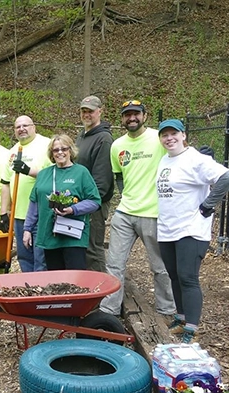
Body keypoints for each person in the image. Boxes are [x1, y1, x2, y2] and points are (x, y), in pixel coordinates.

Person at [156, 119, 229, 343]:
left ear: (183, 135)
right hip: (168, 229)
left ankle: (191, 328)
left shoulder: (196, 159)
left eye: (173, 134)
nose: (169, 138)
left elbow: (225, 176)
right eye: (165, 135)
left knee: (188, 277)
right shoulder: (164, 160)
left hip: (191, 228)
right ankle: (180, 318)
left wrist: (209, 204)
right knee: (174, 276)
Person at [99, 100, 175, 317]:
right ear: (122, 118)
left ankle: (167, 309)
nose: (132, 118)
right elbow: (119, 175)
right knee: (114, 264)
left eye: (136, 114)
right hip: (124, 212)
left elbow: (178, 157)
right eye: (127, 115)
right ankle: (109, 310)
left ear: (145, 115)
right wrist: (126, 194)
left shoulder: (158, 138)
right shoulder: (117, 146)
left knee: (160, 266)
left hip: (153, 212)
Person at [23, 134, 100, 270]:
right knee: (55, 279)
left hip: (73, 236)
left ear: (70, 150)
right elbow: (34, 203)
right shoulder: (44, 174)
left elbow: (94, 201)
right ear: (51, 153)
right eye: (56, 150)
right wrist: (27, 229)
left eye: (64, 149)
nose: (60, 152)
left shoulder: (81, 172)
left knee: (75, 279)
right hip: (49, 234)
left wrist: (73, 209)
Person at [0, 115, 52, 271]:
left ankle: (41, 291)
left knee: (40, 257)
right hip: (19, 214)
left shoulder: (47, 145)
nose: (21, 129)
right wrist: (4, 212)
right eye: (18, 127)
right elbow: (5, 182)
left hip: (41, 213)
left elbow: (54, 174)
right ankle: (27, 289)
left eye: (25, 125)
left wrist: (28, 170)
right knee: (24, 256)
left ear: (34, 127)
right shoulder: (13, 151)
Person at [75, 96, 114, 272]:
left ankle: (100, 295)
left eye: (90, 111)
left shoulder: (103, 139)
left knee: (93, 250)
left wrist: (90, 204)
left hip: (94, 204)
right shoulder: (82, 137)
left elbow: (102, 180)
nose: (87, 114)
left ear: (100, 111)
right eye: (84, 111)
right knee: (81, 248)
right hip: (79, 203)